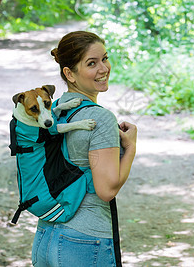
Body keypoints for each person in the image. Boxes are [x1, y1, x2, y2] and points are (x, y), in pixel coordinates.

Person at [31, 31, 137, 267]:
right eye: (92, 63)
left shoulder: (51, 111)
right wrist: (130, 149)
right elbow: (106, 190)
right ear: (69, 73)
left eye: (105, 58)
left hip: (45, 238)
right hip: (84, 242)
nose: (104, 68)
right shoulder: (100, 118)